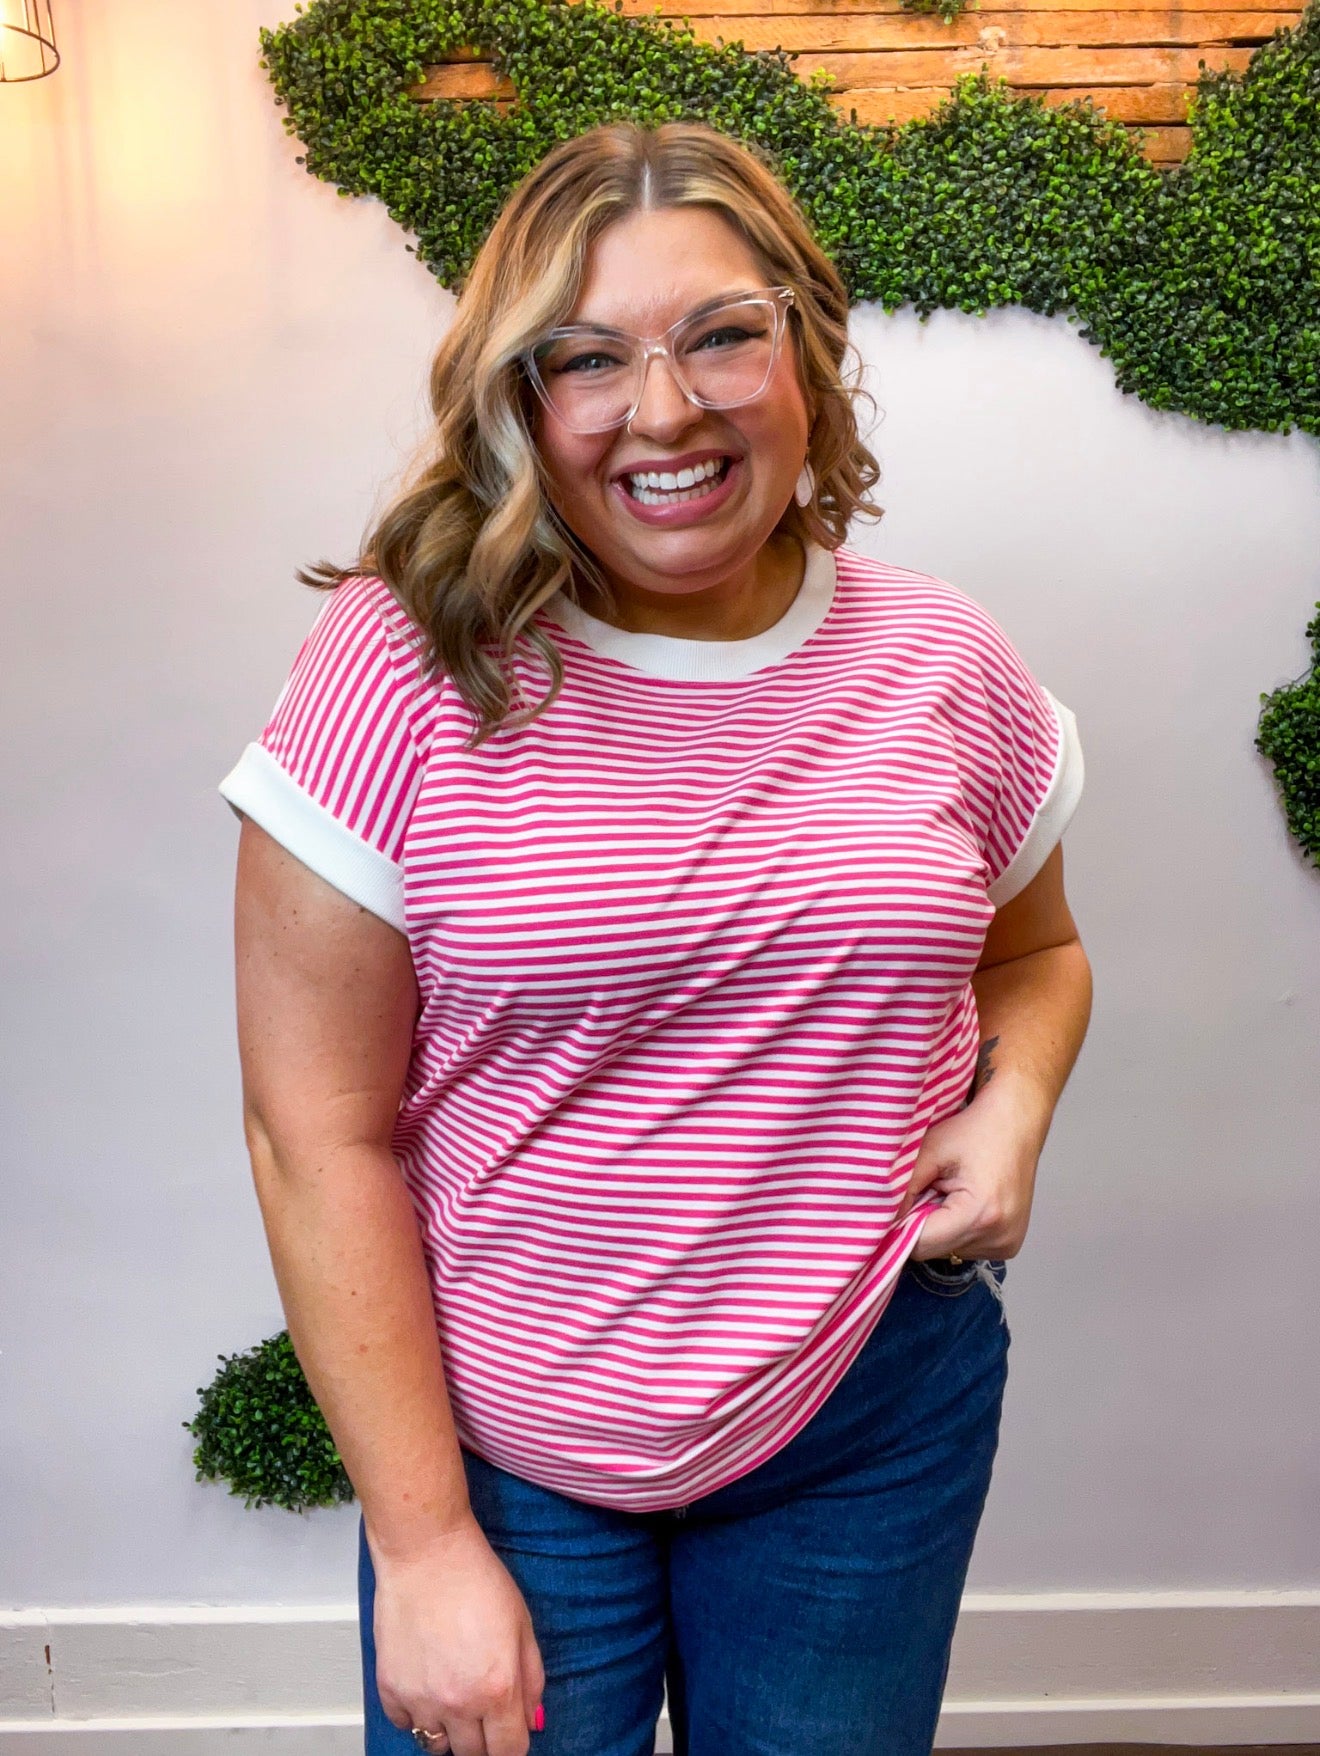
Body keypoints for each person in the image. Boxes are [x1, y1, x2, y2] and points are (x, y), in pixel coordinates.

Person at [219, 120, 1091, 1756]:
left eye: (720, 336)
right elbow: (309, 1130)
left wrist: (1017, 1102)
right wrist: (420, 1546)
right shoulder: (399, 665)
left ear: (805, 355)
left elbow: (1033, 956)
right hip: (503, 1433)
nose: (666, 409)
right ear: (515, 402)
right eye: (587, 359)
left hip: (871, 1409)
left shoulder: (944, 663)